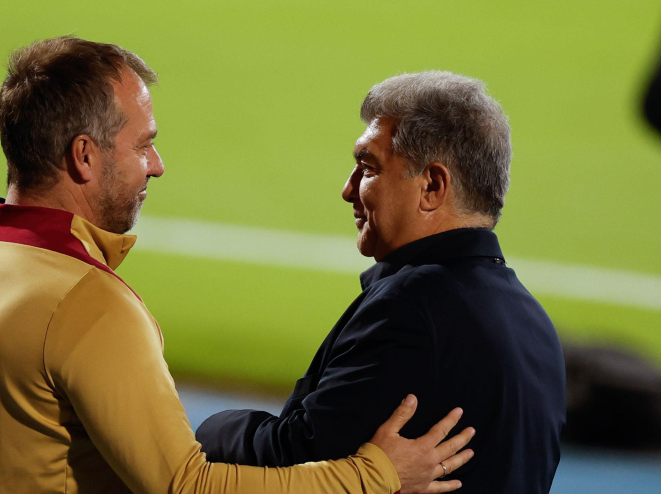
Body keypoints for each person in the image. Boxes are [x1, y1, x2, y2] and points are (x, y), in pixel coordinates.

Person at [0, 37, 475, 494]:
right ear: (84, 156)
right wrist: (374, 475)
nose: (157, 165)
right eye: (142, 144)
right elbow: (187, 485)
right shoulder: (86, 305)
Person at [195, 71, 566, 494]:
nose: (348, 189)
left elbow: (293, 458)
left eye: (368, 167)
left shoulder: (412, 307)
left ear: (431, 185)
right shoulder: (535, 323)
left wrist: (209, 429)